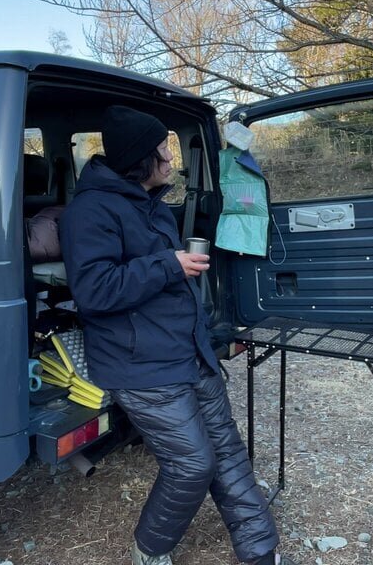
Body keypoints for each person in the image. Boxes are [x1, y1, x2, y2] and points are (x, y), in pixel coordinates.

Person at [60, 106, 294, 565]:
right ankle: (149, 550)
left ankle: (260, 550)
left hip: (187, 349)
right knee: (193, 464)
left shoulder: (150, 204)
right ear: (138, 160)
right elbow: (94, 290)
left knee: (225, 448)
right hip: (139, 362)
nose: (170, 159)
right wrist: (170, 264)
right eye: (162, 150)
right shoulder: (89, 212)